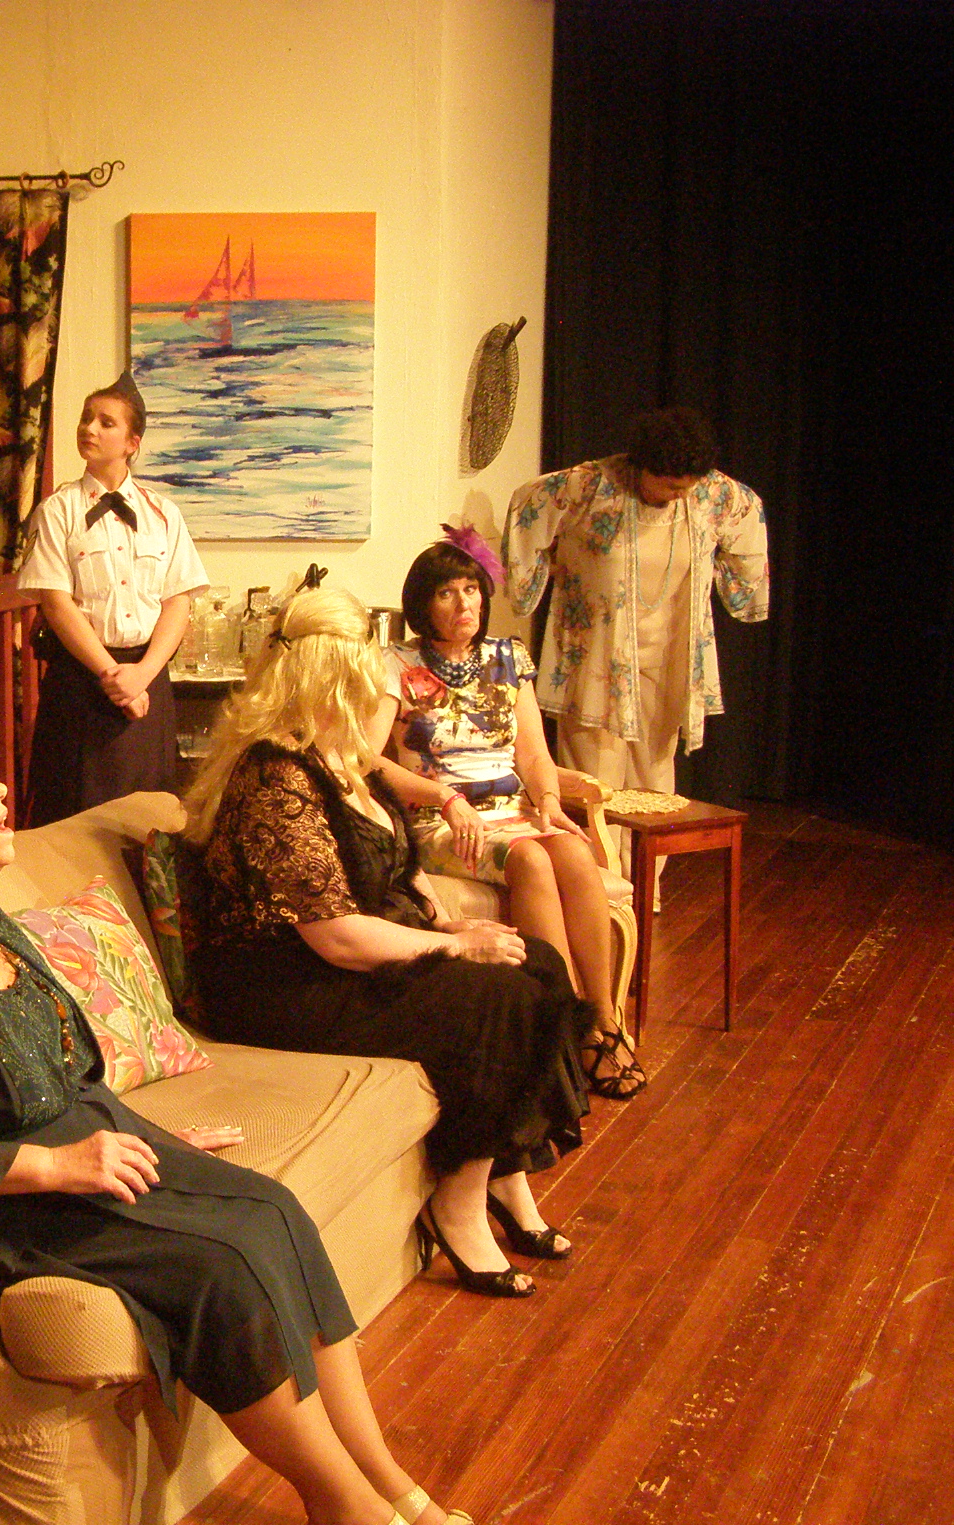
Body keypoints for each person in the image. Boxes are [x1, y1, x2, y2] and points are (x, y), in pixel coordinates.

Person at [0, 722, 483, 1525]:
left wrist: (159, 1144)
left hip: (93, 1148)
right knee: (222, 1267)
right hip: (21, 1201)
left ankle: (388, 1484)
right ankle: (341, 1508)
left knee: (274, 1211)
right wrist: (58, 1167)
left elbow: (73, 1076)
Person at [180, 585, 595, 1297]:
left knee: (541, 964)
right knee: (498, 999)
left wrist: (446, 924)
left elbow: (395, 874)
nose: (375, 695)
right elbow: (337, 938)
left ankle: (506, 1171)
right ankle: (458, 1202)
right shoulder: (274, 775)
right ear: (328, 679)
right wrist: (453, 949)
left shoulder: (341, 759)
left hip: (341, 957)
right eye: (361, 677)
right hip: (281, 986)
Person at [369, 534, 644, 1099]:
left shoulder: (508, 657)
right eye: (446, 593)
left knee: (572, 850)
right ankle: (566, 1027)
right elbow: (366, 758)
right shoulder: (396, 664)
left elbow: (534, 756)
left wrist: (549, 803)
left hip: (512, 810)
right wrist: (444, 797)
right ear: (422, 604)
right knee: (531, 860)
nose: (463, 603)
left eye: (471, 589)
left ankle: (604, 1019)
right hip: (443, 818)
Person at [502, 405, 769, 808]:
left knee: (654, 781)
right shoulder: (592, 485)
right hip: (595, 657)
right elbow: (527, 505)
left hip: (666, 656)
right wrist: (544, 567)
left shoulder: (712, 495)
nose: (679, 495)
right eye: (670, 486)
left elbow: (750, 520)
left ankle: (648, 853)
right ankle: (598, 853)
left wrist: (728, 578)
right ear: (643, 466)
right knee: (595, 778)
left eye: (686, 487)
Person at [15, 370, 207, 826]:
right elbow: (56, 602)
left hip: (147, 679)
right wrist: (110, 675)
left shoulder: (164, 513)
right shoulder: (58, 510)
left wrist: (141, 675)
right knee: (72, 820)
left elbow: (178, 601)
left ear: (131, 443)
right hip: (80, 683)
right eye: (86, 418)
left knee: (148, 820)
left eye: (106, 422)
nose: (89, 428)